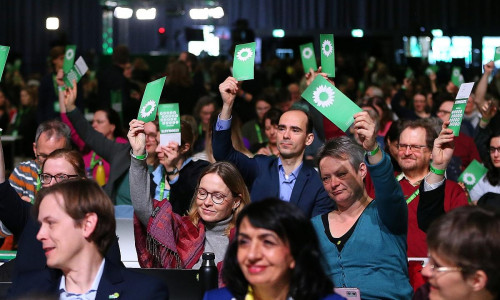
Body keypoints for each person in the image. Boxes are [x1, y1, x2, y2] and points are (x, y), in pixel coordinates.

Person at [9, 179, 169, 299]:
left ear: (87, 224)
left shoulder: (144, 293)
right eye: (40, 225)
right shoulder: (25, 289)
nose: (40, 235)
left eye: (51, 223)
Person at [311, 111, 412, 299]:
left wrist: (373, 148)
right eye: (326, 178)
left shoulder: (387, 214)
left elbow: (388, 188)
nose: (333, 184)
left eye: (341, 174)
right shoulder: (313, 226)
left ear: (362, 170)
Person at [213, 76, 334, 218]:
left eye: (295, 130)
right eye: (282, 129)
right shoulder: (259, 167)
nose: (286, 135)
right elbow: (223, 154)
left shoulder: (318, 183)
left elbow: (316, 233)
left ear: (308, 139)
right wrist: (227, 106)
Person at [204, 199, 345, 300]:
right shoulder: (215, 298)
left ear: (295, 254)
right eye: (244, 242)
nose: (252, 255)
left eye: (267, 242)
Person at [132, 161, 250, 276]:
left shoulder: (246, 240)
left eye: (217, 196)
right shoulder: (182, 230)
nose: (207, 202)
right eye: (202, 193)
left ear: (236, 202)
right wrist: (138, 156)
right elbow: (143, 208)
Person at [128, 118, 210, 216]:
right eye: (158, 143)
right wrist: (137, 153)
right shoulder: (156, 175)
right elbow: (142, 210)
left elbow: (189, 210)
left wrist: (171, 171)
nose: (158, 149)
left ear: (185, 147)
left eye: (165, 144)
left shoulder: (201, 170)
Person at [415, 206, 500, 300]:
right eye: (429, 259)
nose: (425, 271)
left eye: (437, 266)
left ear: (476, 280)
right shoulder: (424, 294)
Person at [9, 119, 71, 202]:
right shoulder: (22, 172)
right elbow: (7, 209)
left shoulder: (72, 175)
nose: (48, 162)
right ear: (35, 149)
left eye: (55, 156)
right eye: (44, 156)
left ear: (68, 152)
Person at [435, 100, 482, 181]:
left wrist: (463, 184)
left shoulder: (466, 141)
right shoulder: (429, 136)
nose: (438, 115)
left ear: (455, 117)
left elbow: (477, 168)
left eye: (444, 112)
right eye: (439, 111)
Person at [469, 128, 500, 202]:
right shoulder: (480, 172)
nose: (495, 155)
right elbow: (476, 206)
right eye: (492, 149)